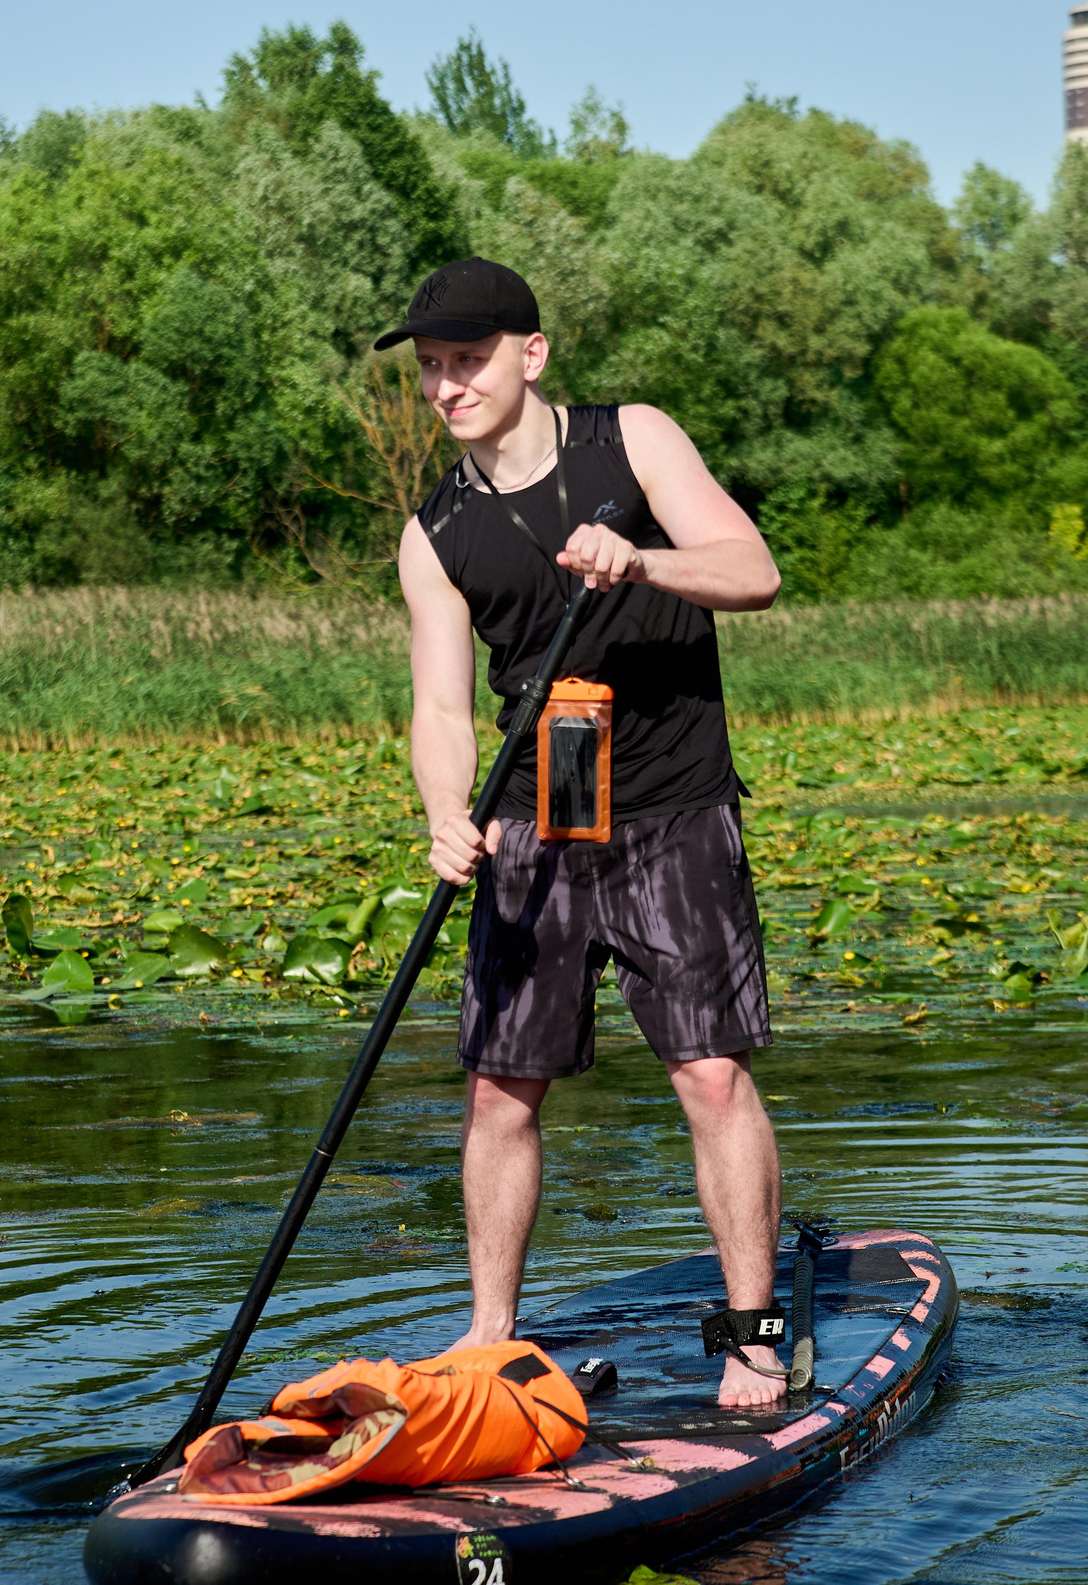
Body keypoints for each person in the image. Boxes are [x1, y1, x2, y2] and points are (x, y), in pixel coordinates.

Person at [383, 257, 789, 1407]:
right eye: (431, 369)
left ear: (531, 352)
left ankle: (753, 1333)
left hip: (672, 803)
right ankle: (486, 1336)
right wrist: (444, 815)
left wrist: (642, 558)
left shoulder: (633, 442)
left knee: (709, 1073)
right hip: (535, 817)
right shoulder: (436, 533)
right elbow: (440, 706)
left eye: (468, 360)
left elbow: (753, 570)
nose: (449, 385)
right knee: (498, 1089)